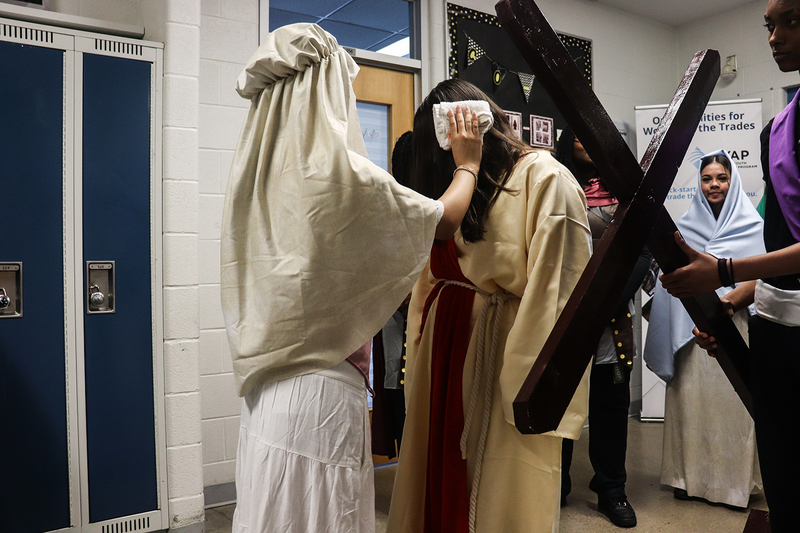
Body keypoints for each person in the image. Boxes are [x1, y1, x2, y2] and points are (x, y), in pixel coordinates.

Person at [220, 24, 481, 533]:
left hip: (269, 395)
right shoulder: (336, 172)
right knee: (322, 516)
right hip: (318, 394)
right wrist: (467, 165)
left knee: (274, 514)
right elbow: (443, 221)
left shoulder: (257, 176)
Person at [386, 80, 593, 533]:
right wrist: (417, 356)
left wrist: (527, 392)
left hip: (502, 350)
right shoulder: (460, 184)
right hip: (444, 348)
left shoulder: (545, 177)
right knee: (434, 473)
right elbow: (429, 278)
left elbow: (557, 293)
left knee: (500, 487)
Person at [660, 2, 800, 529]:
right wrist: (731, 305)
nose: (774, 37)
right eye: (769, 25)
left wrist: (723, 275)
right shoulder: (776, 131)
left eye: (791, 21)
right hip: (772, 324)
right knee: (784, 462)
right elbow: (783, 238)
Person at [646, 151, 763, 509]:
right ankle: (687, 478)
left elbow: (764, 281)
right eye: (707, 178)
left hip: (736, 327)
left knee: (734, 407)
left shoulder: (753, 229)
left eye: (721, 178)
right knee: (691, 406)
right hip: (690, 335)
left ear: (733, 181)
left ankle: (732, 486)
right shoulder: (683, 231)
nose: (714, 185)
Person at [555, 128, 652, 528]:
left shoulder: (628, 190)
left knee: (611, 406)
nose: (584, 138)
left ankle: (611, 489)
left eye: (590, 131)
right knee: (557, 402)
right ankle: (554, 484)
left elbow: (642, 252)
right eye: (575, 131)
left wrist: (606, 302)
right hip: (562, 316)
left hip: (612, 324)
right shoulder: (554, 184)